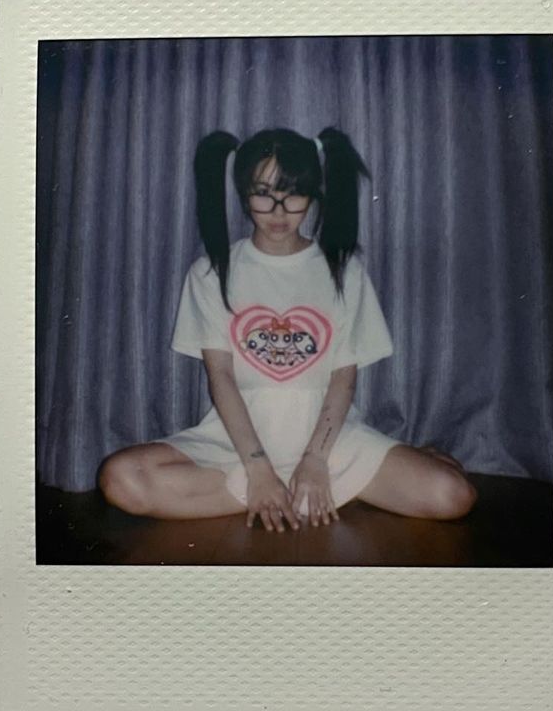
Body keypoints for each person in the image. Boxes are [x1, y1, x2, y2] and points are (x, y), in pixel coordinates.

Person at [97, 127, 477, 532]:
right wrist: (258, 469)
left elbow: (343, 378)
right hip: (239, 443)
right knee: (121, 480)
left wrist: (315, 460)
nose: (278, 211)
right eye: (263, 193)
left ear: (313, 195)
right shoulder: (210, 273)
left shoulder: (344, 271)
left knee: (453, 496)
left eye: (293, 194)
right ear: (244, 194)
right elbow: (221, 377)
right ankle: (274, 492)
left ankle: (298, 488)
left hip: (330, 443)